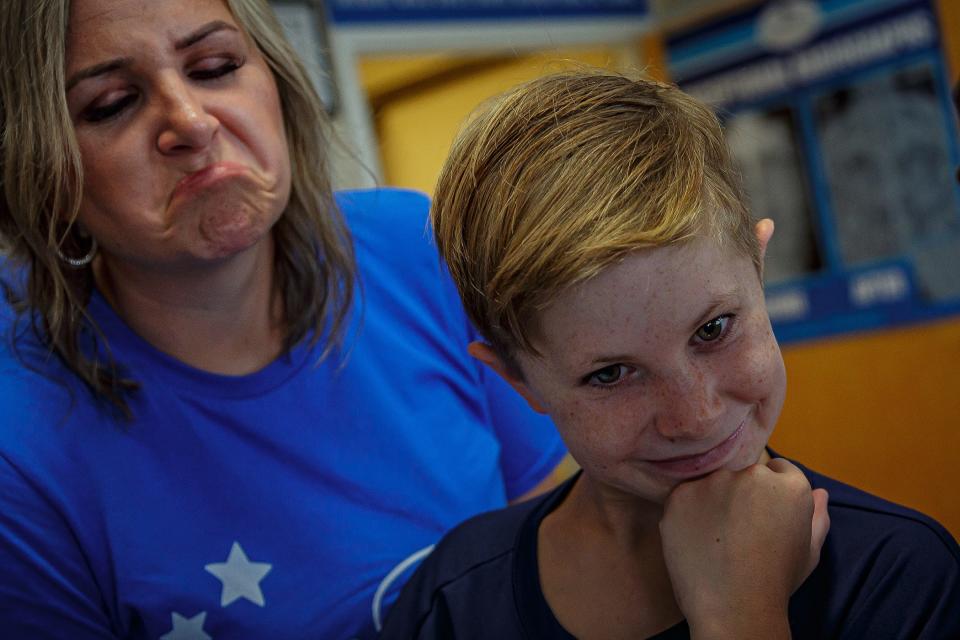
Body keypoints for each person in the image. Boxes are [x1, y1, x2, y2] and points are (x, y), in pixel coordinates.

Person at [0, 1, 567, 638]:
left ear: (278, 81)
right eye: (110, 104)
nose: (190, 122)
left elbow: (558, 555)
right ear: (42, 168)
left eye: (214, 67)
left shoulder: (416, 248)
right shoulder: (21, 445)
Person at [380, 72, 960, 638]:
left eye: (713, 329)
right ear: (517, 380)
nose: (696, 417)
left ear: (758, 272)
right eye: (610, 373)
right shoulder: (452, 600)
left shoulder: (898, 576)